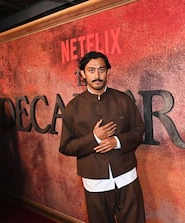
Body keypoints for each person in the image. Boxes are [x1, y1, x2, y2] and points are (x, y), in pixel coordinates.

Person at [59, 51, 146, 223]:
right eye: (91, 70)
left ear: (108, 72)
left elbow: (138, 130)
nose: (97, 75)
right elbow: (66, 146)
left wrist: (117, 141)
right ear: (83, 74)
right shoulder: (73, 108)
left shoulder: (123, 100)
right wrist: (94, 138)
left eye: (101, 70)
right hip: (94, 181)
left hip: (126, 176)